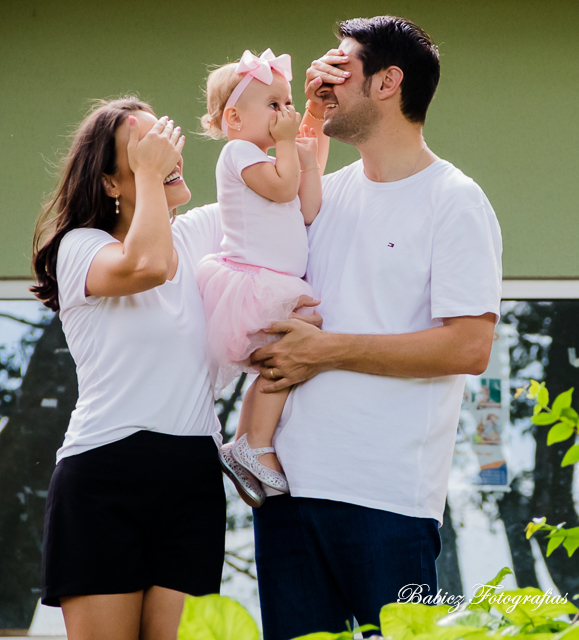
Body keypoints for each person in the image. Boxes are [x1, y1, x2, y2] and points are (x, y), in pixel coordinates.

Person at [248, 16, 503, 639]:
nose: (322, 79)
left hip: (387, 502)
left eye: (340, 68)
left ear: (388, 82)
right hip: (286, 495)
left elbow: (469, 346)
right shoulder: (323, 194)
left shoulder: (455, 199)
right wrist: (310, 111)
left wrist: (325, 351)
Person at [32, 98, 226, 640]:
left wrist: (302, 119)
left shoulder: (200, 234)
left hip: (193, 478)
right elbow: (148, 265)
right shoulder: (80, 248)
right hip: (104, 478)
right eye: (142, 149)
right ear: (110, 182)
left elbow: (284, 198)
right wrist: (152, 173)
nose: (166, 154)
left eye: (163, 139)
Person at [196, 48, 326, 504]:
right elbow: (284, 189)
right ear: (234, 117)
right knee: (285, 356)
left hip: (272, 282)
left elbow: (307, 207)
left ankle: (246, 443)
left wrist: (308, 159)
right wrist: (290, 146)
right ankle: (256, 444)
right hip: (253, 283)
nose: (286, 113)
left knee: (277, 361)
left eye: (287, 103)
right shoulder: (238, 153)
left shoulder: (267, 160)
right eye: (274, 104)